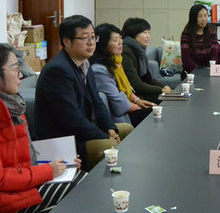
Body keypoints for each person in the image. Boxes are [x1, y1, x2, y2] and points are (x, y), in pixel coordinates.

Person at [0, 43, 85, 213]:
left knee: (81, 178)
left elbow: (20, 156)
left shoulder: (9, 103)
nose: (21, 75)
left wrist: (61, 162)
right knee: (81, 188)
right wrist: (49, 171)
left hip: (15, 184)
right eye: (15, 68)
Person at [35, 15, 133, 170]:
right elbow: (71, 120)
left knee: (127, 130)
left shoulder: (84, 63)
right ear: (67, 42)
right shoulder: (57, 71)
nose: (91, 43)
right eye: (84, 38)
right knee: (109, 146)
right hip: (64, 141)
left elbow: (97, 101)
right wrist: (105, 136)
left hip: (83, 131)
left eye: (93, 37)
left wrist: (110, 129)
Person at [91, 23, 154, 127]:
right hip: (122, 116)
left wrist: (137, 100)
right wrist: (139, 107)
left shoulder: (116, 61)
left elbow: (127, 87)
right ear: (103, 44)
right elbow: (117, 101)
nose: (120, 42)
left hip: (128, 107)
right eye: (115, 40)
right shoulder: (99, 70)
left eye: (120, 38)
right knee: (156, 113)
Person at [121, 17, 172, 104]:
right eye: (144, 33)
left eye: (148, 33)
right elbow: (136, 84)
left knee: (170, 97)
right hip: (133, 97)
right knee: (168, 101)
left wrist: (164, 87)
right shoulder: (126, 52)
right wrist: (161, 90)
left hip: (140, 92)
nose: (148, 36)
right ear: (133, 33)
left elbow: (147, 78)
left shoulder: (139, 51)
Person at [181, 4, 220, 73]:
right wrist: (200, 72)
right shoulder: (186, 34)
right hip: (191, 72)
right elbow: (186, 60)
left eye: (205, 15)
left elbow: (214, 56)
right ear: (193, 18)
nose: (203, 19)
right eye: (200, 16)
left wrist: (209, 70)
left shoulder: (212, 32)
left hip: (208, 71)